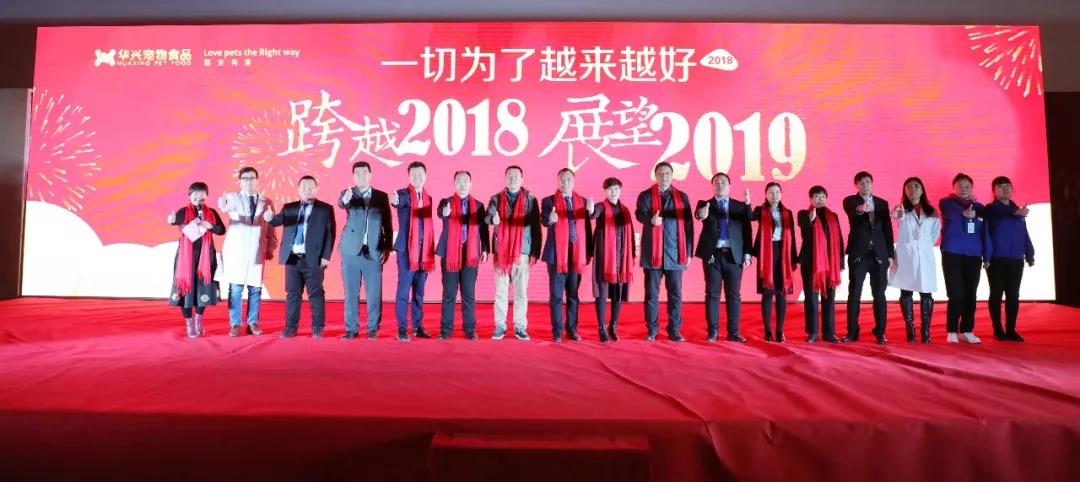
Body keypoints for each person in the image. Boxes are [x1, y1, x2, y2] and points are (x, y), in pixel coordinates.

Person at [266, 175, 336, 338]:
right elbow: (277, 221)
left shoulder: (325, 209)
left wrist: (326, 255)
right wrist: (270, 218)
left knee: (316, 294)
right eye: (304, 186)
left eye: (311, 186)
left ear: (316, 189)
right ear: (298, 189)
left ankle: (317, 328)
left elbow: (330, 233)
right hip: (292, 258)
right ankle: (290, 328)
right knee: (292, 294)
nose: (307, 189)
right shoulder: (289, 207)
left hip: (315, 259)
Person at [215, 167, 277, 337]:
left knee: (255, 288)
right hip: (237, 249)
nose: (249, 182)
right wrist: (223, 204)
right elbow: (225, 207)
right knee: (235, 288)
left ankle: (253, 322)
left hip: (257, 248)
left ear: (257, 180)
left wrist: (270, 247)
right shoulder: (232, 198)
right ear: (240, 181)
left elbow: (271, 227)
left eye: (252, 178)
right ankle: (235, 324)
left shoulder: (267, 202)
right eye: (245, 179)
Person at [636, 162, 694, 342]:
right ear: (655, 176)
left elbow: (689, 226)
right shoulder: (645, 195)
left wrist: (689, 251)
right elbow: (639, 214)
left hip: (676, 253)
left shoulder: (682, 197)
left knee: (675, 294)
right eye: (660, 174)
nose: (664, 177)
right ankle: (652, 329)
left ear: (672, 175)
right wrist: (650, 220)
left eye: (667, 173)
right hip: (652, 254)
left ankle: (674, 329)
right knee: (651, 294)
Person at [338, 161, 393, 340]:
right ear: (353, 176)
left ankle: (372, 328)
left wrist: (387, 247)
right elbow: (341, 203)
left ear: (370, 175)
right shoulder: (348, 194)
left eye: (364, 173)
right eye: (357, 173)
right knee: (351, 292)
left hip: (373, 251)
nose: (361, 176)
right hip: (350, 251)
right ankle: (351, 328)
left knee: (374, 293)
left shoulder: (381, 196)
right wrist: (346, 199)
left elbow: (388, 224)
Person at [694, 172, 752, 342]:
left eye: (723, 182)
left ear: (730, 186)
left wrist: (747, 254)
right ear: (712, 186)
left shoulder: (740, 206)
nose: (720, 185)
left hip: (734, 256)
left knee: (734, 295)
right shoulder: (705, 204)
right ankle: (712, 332)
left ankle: (733, 332)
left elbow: (747, 231)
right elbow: (699, 215)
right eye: (717, 182)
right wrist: (702, 214)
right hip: (712, 256)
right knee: (712, 294)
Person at [486, 165, 542, 341]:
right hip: (501, 252)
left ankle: (520, 327)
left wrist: (535, 251)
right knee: (500, 292)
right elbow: (487, 217)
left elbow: (536, 227)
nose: (513, 179)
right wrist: (493, 219)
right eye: (510, 176)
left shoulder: (531, 199)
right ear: (505, 178)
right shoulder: (496, 198)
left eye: (516, 176)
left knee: (521, 293)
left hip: (522, 252)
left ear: (522, 179)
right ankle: (500, 326)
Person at [540, 168, 594, 342]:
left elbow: (588, 226)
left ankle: (572, 329)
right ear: (558, 181)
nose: (565, 182)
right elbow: (544, 220)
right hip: (556, 256)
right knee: (556, 296)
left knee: (573, 295)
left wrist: (591, 212)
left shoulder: (583, 202)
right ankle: (557, 331)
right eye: (562, 179)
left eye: (568, 179)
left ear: (574, 181)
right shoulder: (548, 201)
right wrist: (550, 219)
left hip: (576, 256)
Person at [167, 182, 226, 338]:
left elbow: (221, 230)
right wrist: (171, 220)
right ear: (189, 196)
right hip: (186, 257)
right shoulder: (184, 211)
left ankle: (198, 320)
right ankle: (189, 323)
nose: (199, 201)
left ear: (206, 196)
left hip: (206, 255)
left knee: (203, 287)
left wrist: (210, 226)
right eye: (195, 198)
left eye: (202, 199)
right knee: (186, 289)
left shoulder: (211, 212)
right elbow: (176, 220)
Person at [842, 171, 896, 344]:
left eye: (867, 182)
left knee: (879, 294)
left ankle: (880, 332)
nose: (865, 185)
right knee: (854, 292)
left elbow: (887, 230)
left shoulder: (882, 203)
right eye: (861, 182)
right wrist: (860, 209)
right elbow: (852, 213)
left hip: (879, 254)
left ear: (872, 184)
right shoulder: (850, 201)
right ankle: (852, 332)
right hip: (859, 254)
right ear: (856, 185)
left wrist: (890, 254)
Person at [436, 171, 490, 340]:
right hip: (451, 254)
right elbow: (440, 212)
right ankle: (445, 331)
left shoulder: (479, 205)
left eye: (465, 181)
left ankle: (470, 330)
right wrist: (445, 212)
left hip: (470, 254)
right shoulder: (446, 202)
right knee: (449, 294)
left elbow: (483, 229)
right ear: (454, 184)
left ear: (470, 184)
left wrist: (485, 249)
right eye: (459, 181)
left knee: (468, 294)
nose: (462, 184)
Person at [888, 177, 940, 344]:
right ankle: (910, 329)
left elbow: (934, 235)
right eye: (909, 187)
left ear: (922, 190)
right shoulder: (901, 209)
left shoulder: (932, 212)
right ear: (905, 191)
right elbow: (895, 216)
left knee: (926, 292)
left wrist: (922, 246)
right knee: (906, 291)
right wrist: (898, 213)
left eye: (916, 186)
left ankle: (926, 330)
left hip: (924, 256)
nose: (913, 189)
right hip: (907, 256)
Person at [983, 176, 1035, 342]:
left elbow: (1024, 233)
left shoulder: (1017, 211)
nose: (1005, 189)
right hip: (996, 259)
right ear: (994, 191)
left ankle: (1011, 330)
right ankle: (998, 329)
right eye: (1000, 187)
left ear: (1012, 189)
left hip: (1016, 259)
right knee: (996, 294)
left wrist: (1029, 253)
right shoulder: (990, 210)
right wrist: (987, 256)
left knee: (1013, 295)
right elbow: (987, 234)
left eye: (1007, 186)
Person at [939, 173, 988, 344]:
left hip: (974, 255)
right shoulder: (947, 203)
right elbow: (951, 213)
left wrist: (987, 255)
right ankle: (952, 330)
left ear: (972, 188)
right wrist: (964, 211)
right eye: (959, 186)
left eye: (967, 186)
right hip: (952, 253)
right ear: (954, 187)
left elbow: (985, 230)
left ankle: (967, 330)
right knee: (956, 293)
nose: (963, 189)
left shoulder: (979, 207)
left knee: (970, 294)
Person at [389, 161, 436, 341]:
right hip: (406, 251)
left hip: (424, 251)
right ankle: (402, 328)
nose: (417, 177)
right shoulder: (403, 194)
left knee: (419, 291)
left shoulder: (428, 198)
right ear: (409, 176)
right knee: (404, 290)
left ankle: (418, 326)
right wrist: (395, 201)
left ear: (426, 176)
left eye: (420, 174)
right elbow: (398, 202)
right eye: (413, 175)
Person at [589, 177, 636, 343]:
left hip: (621, 258)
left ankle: (613, 326)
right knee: (602, 293)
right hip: (604, 258)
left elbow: (631, 233)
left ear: (620, 190)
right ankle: (601, 328)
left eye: (616, 188)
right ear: (605, 192)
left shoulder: (625, 210)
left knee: (618, 294)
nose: (613, 191)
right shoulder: (601, 207)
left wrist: (631, 255)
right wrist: (590, 210)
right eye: (610, 189)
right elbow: (593, 213)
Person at [750, 182, 797, 343]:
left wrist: (794, 258)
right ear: (766, 195)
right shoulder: (760, 210)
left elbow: (792, 237)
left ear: (781, 194)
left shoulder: (787, 213)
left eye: (777, 192)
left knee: (781, 293)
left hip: (783, 253)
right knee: (768, 293)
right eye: (771, 192)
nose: (774, 195)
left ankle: (779, 331)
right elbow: (749, 217)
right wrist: (748, 202)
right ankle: (768, 331)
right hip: (767, 253)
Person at [797, 186, 844, 343]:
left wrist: (840, 263)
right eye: (816, 196)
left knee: (829, 298)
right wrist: (811, 220)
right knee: (811, 297)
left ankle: (829, 333)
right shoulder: (804, 214)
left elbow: (839, 240)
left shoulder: (833, 216)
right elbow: (804, 229)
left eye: (823, 196)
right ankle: (812, 332)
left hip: (830, 262)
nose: (820, 199)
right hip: (810, 262)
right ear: (810, 199)